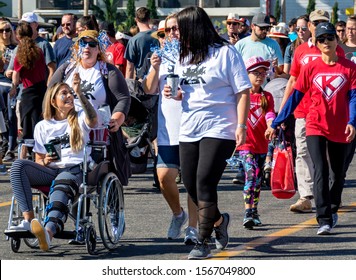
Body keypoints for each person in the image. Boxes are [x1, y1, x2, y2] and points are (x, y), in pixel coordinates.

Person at [166, 6, 250, 259]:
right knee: (191, 186)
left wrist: (241, 126)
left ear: (194, 27)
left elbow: (242, 91)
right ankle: (218, 221)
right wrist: (177, 94)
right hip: (190, 127)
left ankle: (202, 242)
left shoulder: (225, 53)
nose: (175, 33)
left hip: (220, 127)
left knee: (204, 181)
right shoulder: (185, 56)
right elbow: (188, 90)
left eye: (179, 28)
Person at [265, 22, 356, 235]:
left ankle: (333, 207)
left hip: (340, 127)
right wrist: (279, 121)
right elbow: (296, 96)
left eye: (330, 38)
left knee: (337, 172)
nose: (326, 42)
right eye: (321, 39)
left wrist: (352, 121)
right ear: (316, 43)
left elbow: (353, 97)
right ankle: (323, 218)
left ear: (337, 40)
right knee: (320, 170)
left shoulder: (349, 68)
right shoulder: (310, 68)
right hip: (315, 124)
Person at [9, 73, 98, 251]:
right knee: (18, 166)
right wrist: (45, 160)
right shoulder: (42, 126)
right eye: (63, 93)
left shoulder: (80, 117)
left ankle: (47, 234)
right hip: (50, 170)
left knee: (61, 183)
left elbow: (94, 121)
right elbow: (39, 160)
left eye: (70, 93)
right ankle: (29, 221)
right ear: (53, 101)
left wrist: (80, 93)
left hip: (74, 170)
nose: (69, 96)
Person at [278, 10, 345, 214]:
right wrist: (282, 111)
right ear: (309, 26)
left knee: (328, 158)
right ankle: (306, 196)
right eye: (314, 23)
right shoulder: (300, 51)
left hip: (329, 113)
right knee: (303, 152)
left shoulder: (335, 49)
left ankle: (327, 195)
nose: (317, 27)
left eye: (322, 23)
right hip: (303, 111)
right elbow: (293, 80)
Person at [48, 30, 131, 187]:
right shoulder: (67, 69)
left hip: (97, 131)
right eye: (82, 43)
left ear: (98, 49)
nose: (87, 47)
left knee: (90, 174)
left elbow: (123, 99)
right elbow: (50, 95)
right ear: (77, 47)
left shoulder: (108, 71)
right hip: (68, 128)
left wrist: (117, 120)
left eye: (92, 44)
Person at [142, 16, 198, 245]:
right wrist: (154, 68)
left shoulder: (195, 56)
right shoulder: (160, 59)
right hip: (167, 130)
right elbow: (148, 89)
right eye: (164, 33)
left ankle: (193, 228)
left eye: (174, 30)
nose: (170, 35)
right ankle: (178, 214)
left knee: (192, 181)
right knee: (164, 178)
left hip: (193, 127)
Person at [237, 56, 275, 229]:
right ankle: (248, 212)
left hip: (262, 144)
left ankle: (254, 210)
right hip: (246, 144)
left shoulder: (267, 96)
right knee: (251, 174)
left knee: (258, 179)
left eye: (263, 72)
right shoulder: (240, 94)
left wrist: (270, 126)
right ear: (246, 74)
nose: (259, 76)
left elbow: (269, 114)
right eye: (255, 72)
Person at [9, 22, 47, 143]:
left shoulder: (19, 53)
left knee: (27, 126)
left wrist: (14, 87)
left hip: (28, 91)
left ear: (18, 36)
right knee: (38, 121)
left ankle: (29, 153)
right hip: (41, 89)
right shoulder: (39, 51)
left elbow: (16, 73)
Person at [235, 13, 284, 78]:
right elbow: (233, 68)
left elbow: (280, 71)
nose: (264, 31)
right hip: (246, 86)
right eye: (262, 28)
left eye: (267, 28)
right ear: (252, 26)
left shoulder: (273, 44)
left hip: (267, 86)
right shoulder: (240, 44)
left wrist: (275, 67)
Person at [124, 7, 159, 79]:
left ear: (136, 19)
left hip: (142, 80)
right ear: (149, 19)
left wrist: (128, 86)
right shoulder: (159, 36)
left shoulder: (133, 40)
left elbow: (130, 68)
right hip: (158, 78)